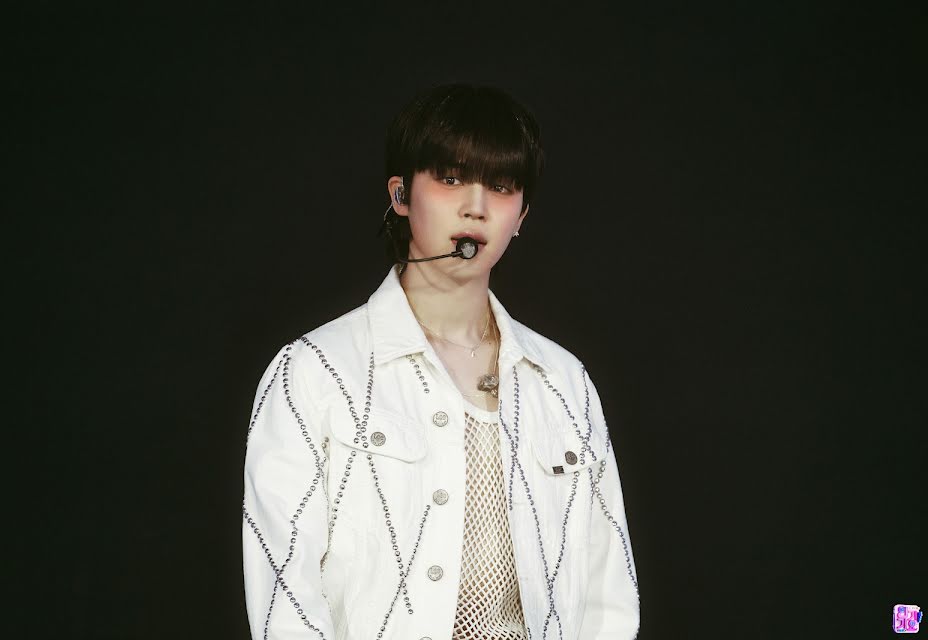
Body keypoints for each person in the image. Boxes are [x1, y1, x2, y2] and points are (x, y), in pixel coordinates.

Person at [242, 83, 640, 640]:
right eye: (451, 179)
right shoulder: (314, 372)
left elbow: (608, 598)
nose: (476, 206)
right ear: (401, 194)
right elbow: (286, 601)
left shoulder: (564, 383)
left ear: (521, 215)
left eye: (501, 186)